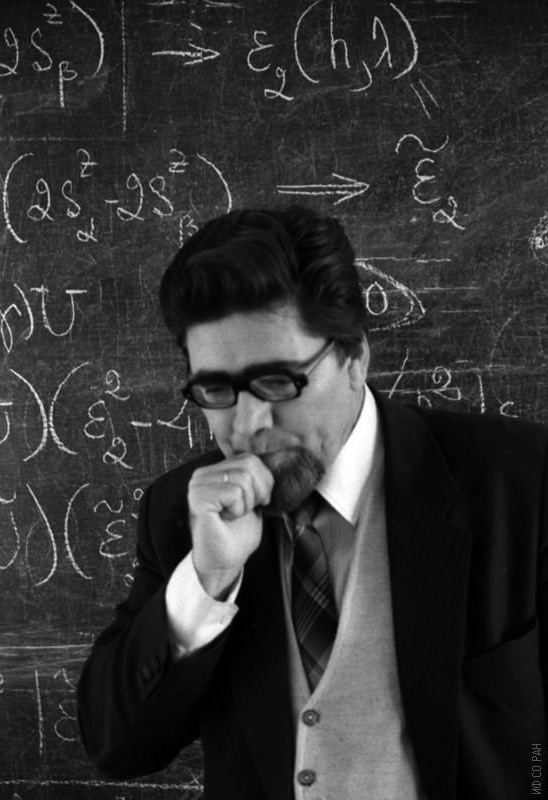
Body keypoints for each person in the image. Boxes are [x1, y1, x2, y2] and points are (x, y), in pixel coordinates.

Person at [77, 205, 547, 800]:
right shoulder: (183, 514)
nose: (247, 425)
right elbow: (116, 746)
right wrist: (207, 580)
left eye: (278, 381)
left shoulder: (522, 484)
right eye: (216, 389)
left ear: (354, 358)